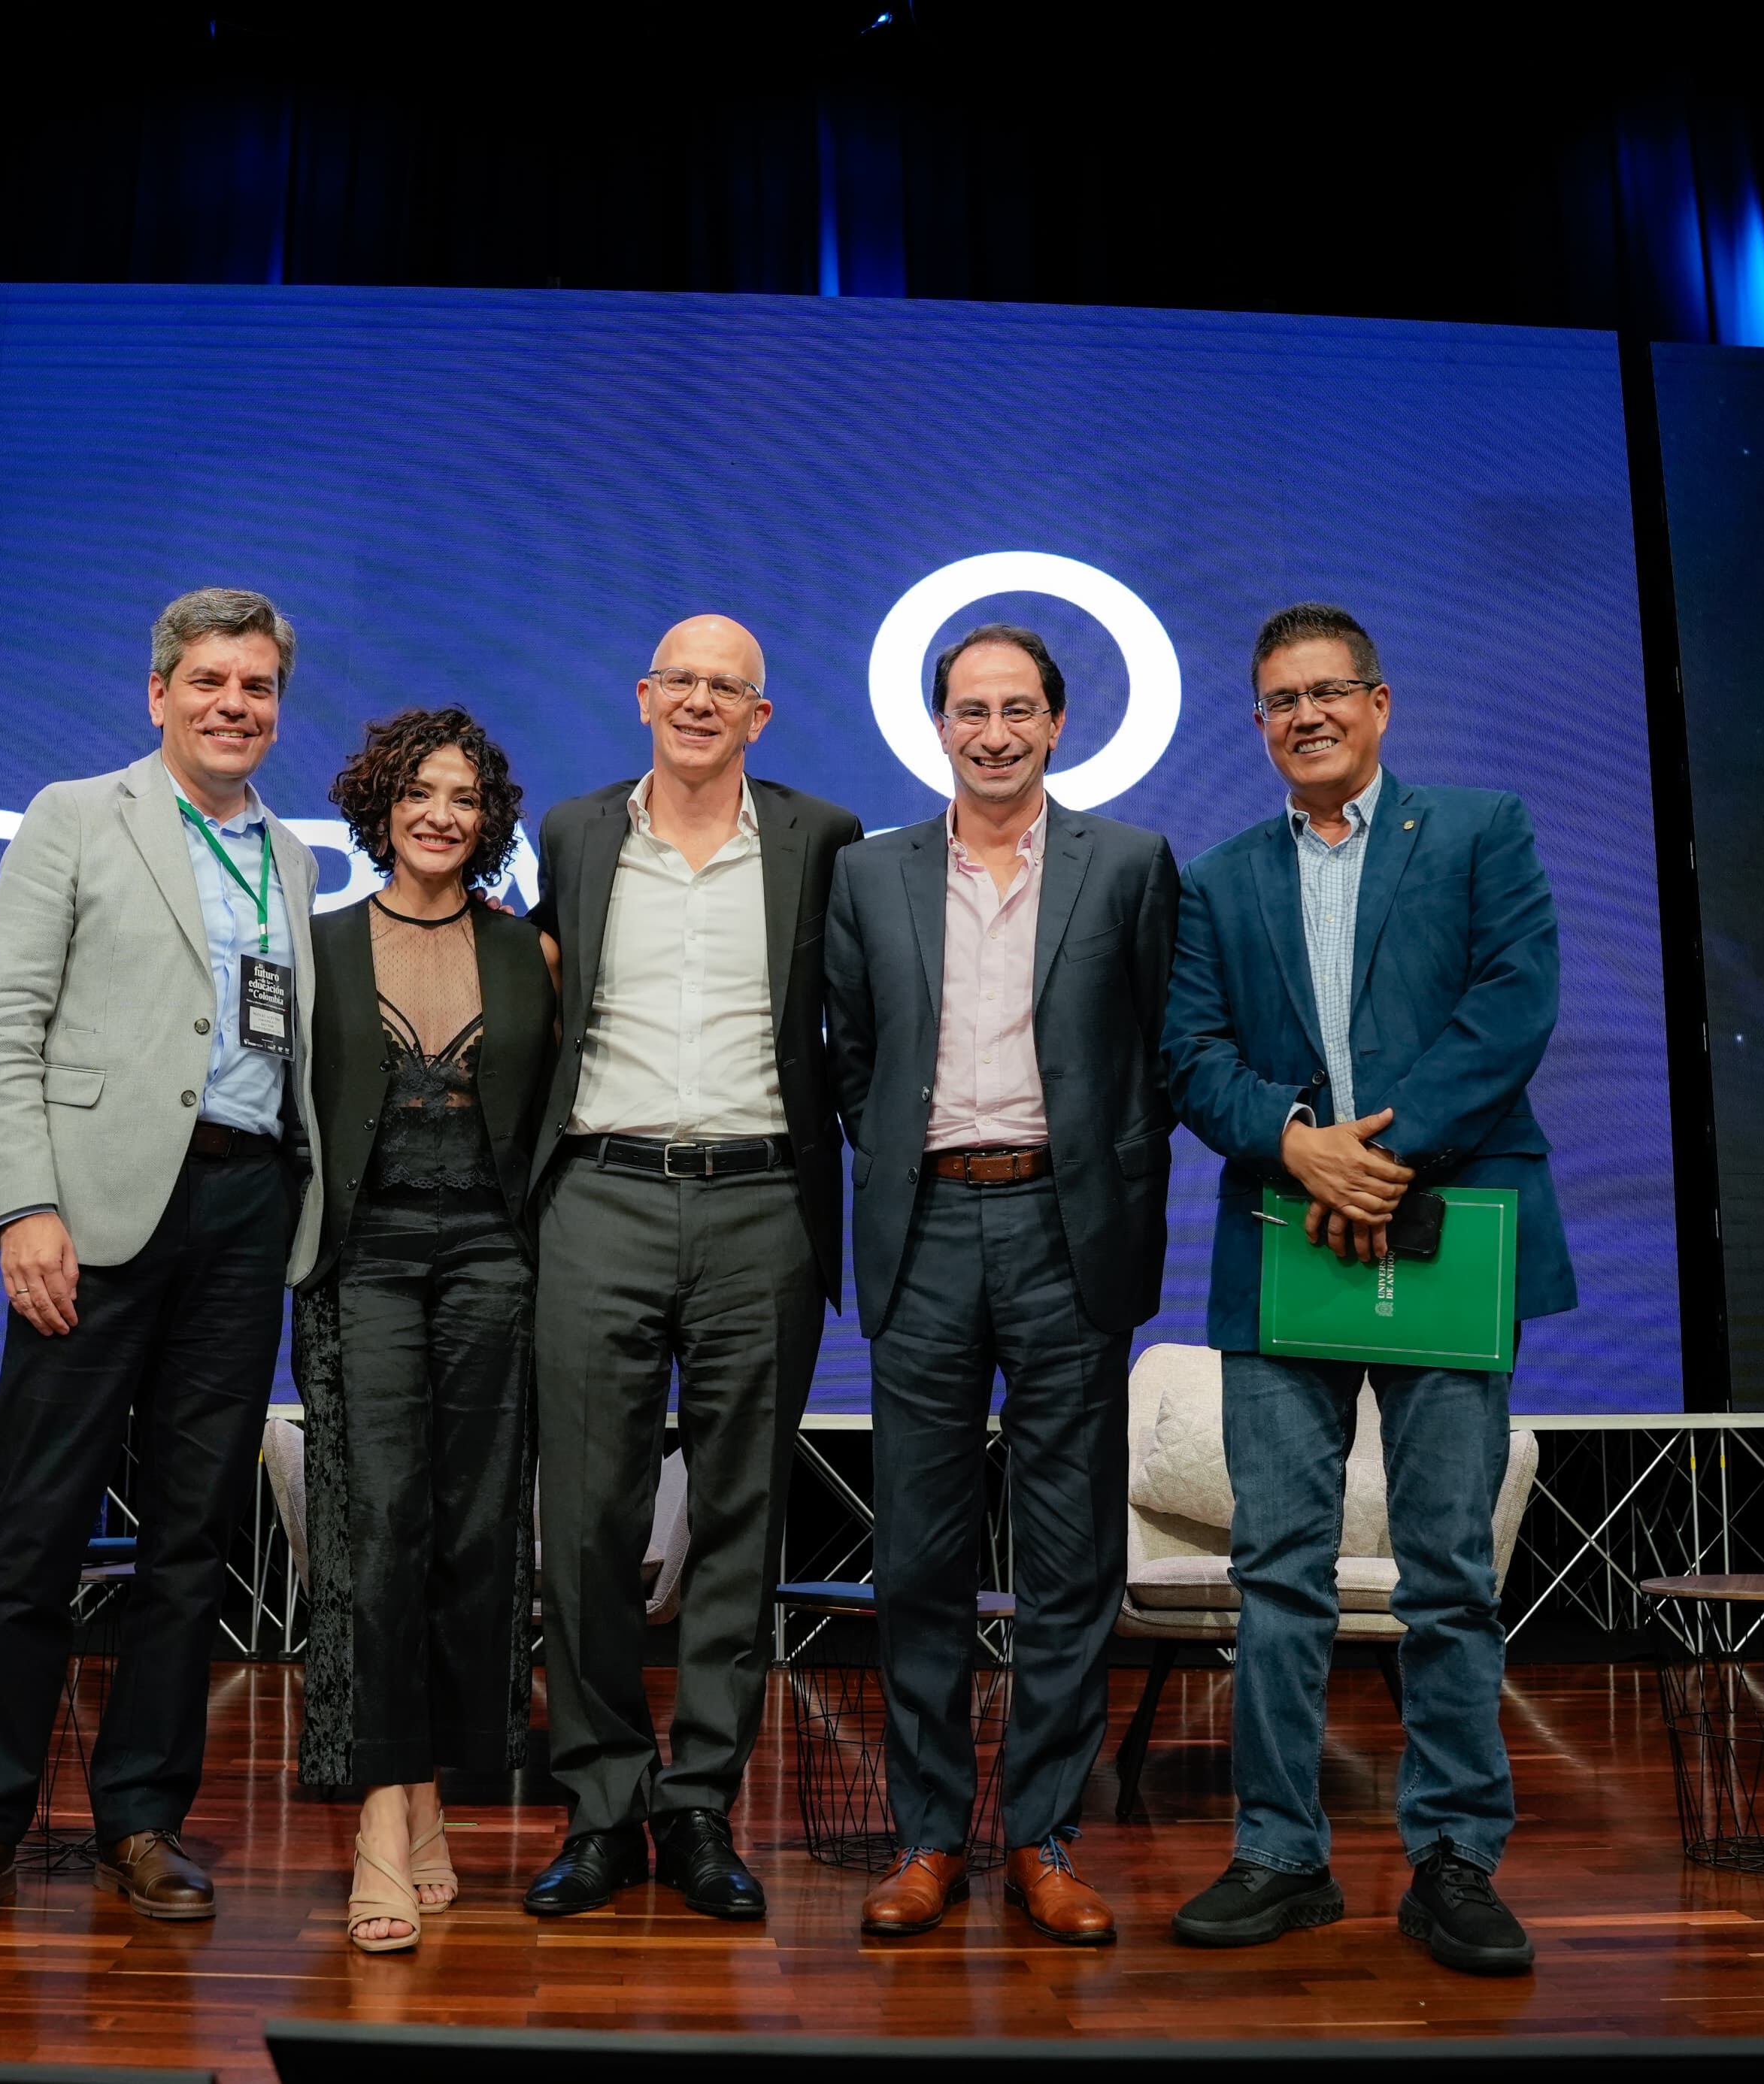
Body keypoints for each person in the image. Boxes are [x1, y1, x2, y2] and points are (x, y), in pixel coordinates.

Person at [1158, 601, 1573, 1976]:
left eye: (1330, 691)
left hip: (1446, 1223)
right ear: (1260, 722)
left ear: (1380, 705)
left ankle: (1454, 1859)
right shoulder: (1215, 879)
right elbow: (1192, 1056)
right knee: (1278, 1572)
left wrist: (1376, 1159)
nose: (1307, 716)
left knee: (1450, 1571)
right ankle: (1280, 1857)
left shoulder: (1479, 830)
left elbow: (1513, 1006)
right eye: (1280, 699)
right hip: (1285, 1240)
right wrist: (1297, 1147)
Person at [0, 587, 327, 1931]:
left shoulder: (298, 860)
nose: (232, 706)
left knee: (191, 1543)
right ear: (158, 694)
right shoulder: (76, 815)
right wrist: (22, 1207)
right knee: (34, 1530)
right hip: (89, 1220)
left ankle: (142, 1821)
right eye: (208, 680)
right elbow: (8, 1024)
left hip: (247, 1208)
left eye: (256, 687)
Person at [823, 623, 1180, 1945]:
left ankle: (1042, 1838)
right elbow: (850, 1054)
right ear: (937, 728)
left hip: (1064, 1230)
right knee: (917, 1555)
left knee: (1071, 1558)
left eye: (1018, 708)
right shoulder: (868, 877)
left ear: (1057, 723)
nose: (994, 731)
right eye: (969, 710)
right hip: (925, 1232)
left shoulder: (1131, 865)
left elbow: (1153, 1045)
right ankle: (926, 1838)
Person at [519, 613, 862, 1922]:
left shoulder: (823, 839)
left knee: (739, 1523)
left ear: (761, 717)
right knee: (588, 1524)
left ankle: (703, 1806)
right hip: (597, 1194)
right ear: (643, 695)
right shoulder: (576, 830)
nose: (702, 702)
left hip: (761, 1201)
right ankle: (604, 1804)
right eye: (682, 682)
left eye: (729, 687)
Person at [286, 706, 558, 1954]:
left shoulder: (529, 958)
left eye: (464, 796)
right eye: (419, 792)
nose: (441, 814)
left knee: (474, 1536)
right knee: (378, 1528)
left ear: (488, 817)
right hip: (365, 1267)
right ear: (379, 804)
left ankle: (431, 1796)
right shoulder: (321, 945)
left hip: (497, 1267)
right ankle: (380, 1828)